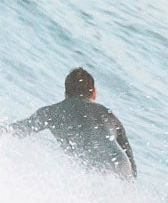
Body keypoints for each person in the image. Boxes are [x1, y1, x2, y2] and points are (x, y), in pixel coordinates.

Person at [8, 66, 137, 178]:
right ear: (94, 93)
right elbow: (131, 163)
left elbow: (18, 130)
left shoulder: (51, 112)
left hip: (97, 171)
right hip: (122, 166)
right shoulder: (108, 114)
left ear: (66, 94)